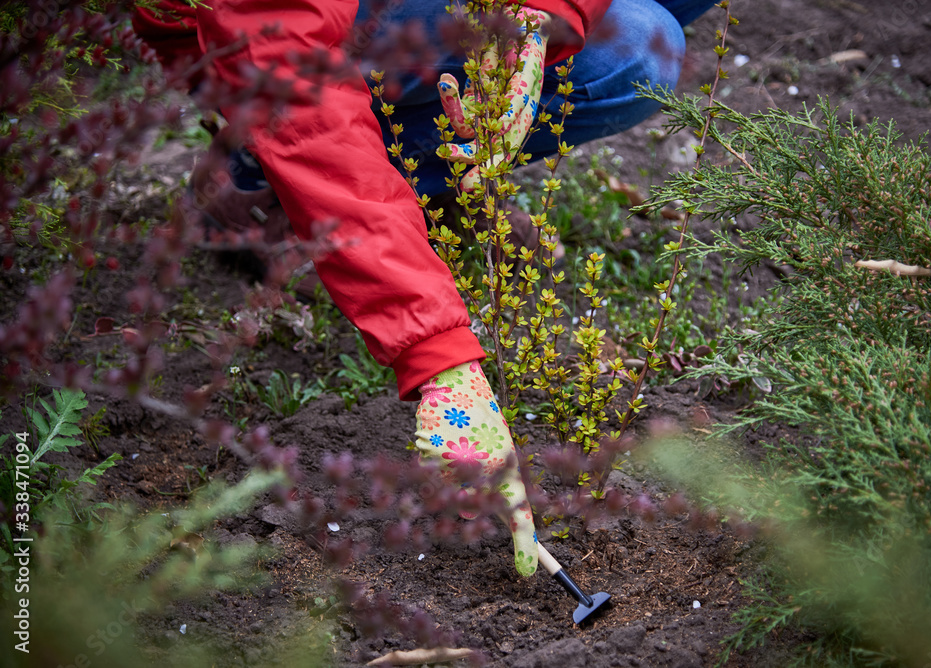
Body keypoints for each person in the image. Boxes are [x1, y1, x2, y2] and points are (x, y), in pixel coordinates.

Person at [133, 0, 716, 578]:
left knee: (637, 41)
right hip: (263, 41)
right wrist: (439, 358)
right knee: (637, 46)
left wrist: (540, 18)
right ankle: (259, 177)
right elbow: (291, 76)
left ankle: (418, 179)